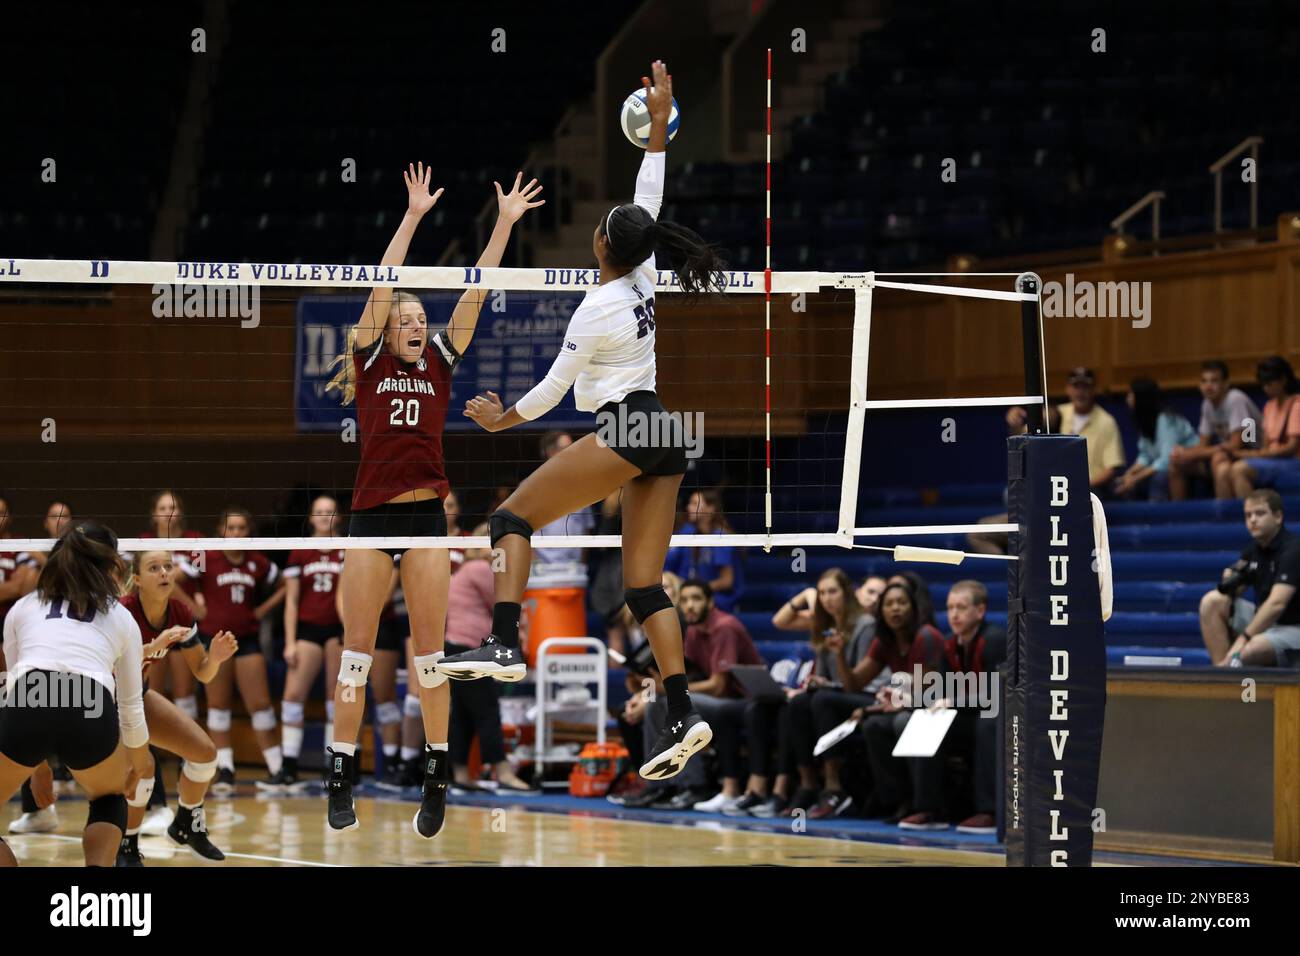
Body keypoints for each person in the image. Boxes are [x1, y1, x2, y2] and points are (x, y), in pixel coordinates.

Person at [439, 61, 731, 787]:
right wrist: (659, 123)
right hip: (664, 430)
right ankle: (683, 709)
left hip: (631, 427)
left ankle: (504, 643)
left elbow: (550, 391)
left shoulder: (597, 304)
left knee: (508, 519)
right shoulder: (644, 271)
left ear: (602, 247)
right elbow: (650, 193)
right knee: (643, 587)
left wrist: (503, 421)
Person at [321, 161, 543, 836]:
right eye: (408, 318)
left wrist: (502, 226)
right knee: (355, 654)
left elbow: (474, 294)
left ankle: (437, 777)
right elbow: (382, 286)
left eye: (423, 318)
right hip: (367, 519)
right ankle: (340, 776)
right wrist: (413, 217)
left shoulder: (441, 363)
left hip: (424, 517)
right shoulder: (368, 360)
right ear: (391, 328)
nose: (418, 324)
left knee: (430, 656)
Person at [0, 521, 152, 867]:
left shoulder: (23, 607)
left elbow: (10, 686)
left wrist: (37, 768)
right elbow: (130, 705)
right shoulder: (121, 616)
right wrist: (139, 763)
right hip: (90, 699)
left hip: (30, 694)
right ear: (107, 566)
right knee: (108, 798)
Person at [116, 550, 237, 865]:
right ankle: (126, 847)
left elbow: (203, 672)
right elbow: (109, 666)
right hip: (104, 703)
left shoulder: (180, 612)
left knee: (205, 754)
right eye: (154, 568)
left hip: (137, 697)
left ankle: (186, 824)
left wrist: (218, 659)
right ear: (138, 579)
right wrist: (156, 646)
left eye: (168, 566)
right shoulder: (121, 611)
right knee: (144, 770)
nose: (164, 573)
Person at [749, 567, 879, 819]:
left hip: (866, 693)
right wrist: (817, 680)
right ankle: (808, 783)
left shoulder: (866, 624)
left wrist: (828, 684)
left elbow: (860, 679)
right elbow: (828, 676)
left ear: (846, 593)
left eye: (833, 592)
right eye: (821, 593)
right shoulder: (825, 625)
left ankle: (833, 786)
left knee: (822, 700)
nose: (827, 598)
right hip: (835, 692)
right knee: (796, 703)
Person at [621, 578, 761, 811]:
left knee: (663, 703)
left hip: (739, 702)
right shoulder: (693, 630)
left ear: (711, 602)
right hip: (709, 700)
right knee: (653, 704)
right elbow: (687, 676)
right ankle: (660, 785)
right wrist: (642, 692)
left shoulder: (723, 627)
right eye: (685, 600)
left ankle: (693, 786)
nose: (689, 606)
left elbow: (718, 686)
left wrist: (662, 690)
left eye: (696, 599)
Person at [179, 507, 283, 793]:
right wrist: (194, 606)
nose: (235, 533)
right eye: (230, 528)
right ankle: (225, 770)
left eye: (241, 528)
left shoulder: (257, 562)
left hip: (247, 638)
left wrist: (262, 609)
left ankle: (278, 769)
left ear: (249, 532)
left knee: (260, 705)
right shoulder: (206, 555)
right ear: (221, 531)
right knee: (218, 706)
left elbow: (286, 584)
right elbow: (176, 580)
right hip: (215, 637)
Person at [444, 524, 531, 791]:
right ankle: (502, 772)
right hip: (469, 649)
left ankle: (458, 773)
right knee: (487, 711)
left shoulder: (465, 570)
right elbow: (505, 602)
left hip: (456, 647)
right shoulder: (480, 570)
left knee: (462, 714)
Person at [852, 582, 947, 823]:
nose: (896, 609)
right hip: (913, 705)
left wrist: (893, 699)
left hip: (939, 707)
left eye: (902, 603)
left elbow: (925, 691)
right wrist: (839, 652)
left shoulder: (926, 636)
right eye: (889, 604)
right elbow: (854, 683)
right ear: (880, 611)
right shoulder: (885, 639)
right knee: (874, 725)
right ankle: (898, 801)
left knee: (904, 721)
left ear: (914, 609)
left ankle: (925, 805)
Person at [920, 580, 1005, 833]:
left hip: (1004, 714)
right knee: (926, 720)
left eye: (961, 607)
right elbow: (942, 691)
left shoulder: (995, 640)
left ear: (980, 611)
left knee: (988, 723)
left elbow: (994, 695)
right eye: (950, 608)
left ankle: (989, 811)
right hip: (971, 714)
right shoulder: (949, 644)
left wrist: (952, 703)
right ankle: (930, 809)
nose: (954, 614)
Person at [272, 495, 345, 789]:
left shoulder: (347, 547)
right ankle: (288, 765)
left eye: (330, 511)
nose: (325, 516)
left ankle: (333, 765)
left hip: (338, 630)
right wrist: (289, 642)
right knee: (292, 697)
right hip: (308, 630)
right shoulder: (301, 550)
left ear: (337, 517)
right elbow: (291, 601)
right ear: (312, 517)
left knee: (335, 700)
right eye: (319, 512)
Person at [1199, 489, 1300, 667]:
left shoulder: (1293, 549)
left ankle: (1228, 669)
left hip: (1293, 628)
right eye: (1248, 515)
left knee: (1251, 649)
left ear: (1278, 517)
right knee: (1212, 601)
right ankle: (1222, 674)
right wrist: (1231, 582)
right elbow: (1233, 593)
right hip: (1268, 624)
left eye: (1260, 513)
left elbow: (1277, 604)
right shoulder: (1253, 551)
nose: (1253, 520)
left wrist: (1243, 639)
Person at [0, 494, 49, 836]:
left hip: (10, 639)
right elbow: (14, 585)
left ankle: (38, 808)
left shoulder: (18, 548)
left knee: (16, 711)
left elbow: (27, 586)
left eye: (3, 513)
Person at [1007, 367, 1124, 491]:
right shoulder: (1056, 414)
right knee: (1013, 492)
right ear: (1067, 389)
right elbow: (1023, 437)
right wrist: (1015, 422)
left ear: (1094, 390)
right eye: (1076, 386)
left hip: (1091, 489)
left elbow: (1112, 468)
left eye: (1085, 387)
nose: (1080, 392)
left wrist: (1081, 486)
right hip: (1057, 486)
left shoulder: (1107, 421)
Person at [1168, 360, 1261, 500]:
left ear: (1225, 383)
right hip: (1231, 453)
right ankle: (1177, 516)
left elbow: (1237, 445)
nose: (1208, 386)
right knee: (1176, 463)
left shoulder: (1236, 399)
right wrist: (1184, 453)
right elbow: (1203, 444)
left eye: (1214, 381)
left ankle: (1224, 518)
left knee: (1219, 460)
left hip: (1252, 452)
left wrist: (1192, 454)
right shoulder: (1207, 404)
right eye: (1204, 381)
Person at [1214, 356, 1300, 498]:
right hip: (1271, 459)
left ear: (1283, 380)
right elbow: (1265, 446)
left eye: (1270, 383)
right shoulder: (1269, 406)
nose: (1266, 388)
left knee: (1239, 470)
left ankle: (1253, 515)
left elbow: (1290, 448)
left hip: (1292, 461)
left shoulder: (1296, 405)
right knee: (1222, 470)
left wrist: (1253, 455)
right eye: (1263, 384)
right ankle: (1228, 519)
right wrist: (1257, 454)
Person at [1113, 377, 1198, 501]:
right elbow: (1145, 456)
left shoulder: (1165, 419)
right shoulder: (1146, 421)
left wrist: (1136, 478)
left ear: (1142, 398)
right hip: (1165, 465)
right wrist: (1128, 474)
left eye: (1131, 395)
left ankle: (1162, 519)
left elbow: (1166, 460)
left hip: (1191, 464)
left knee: (1159, 478)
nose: (1128, 399)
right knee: (1122, 483)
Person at [665, 489, 744, 612]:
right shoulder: (688, 532)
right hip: (687, 596)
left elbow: (727, 581)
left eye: (694, 504)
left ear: (710, 508)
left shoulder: (720, 537)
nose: (688, 507)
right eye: (689, 503)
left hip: (718, 601)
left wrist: (694, 589)